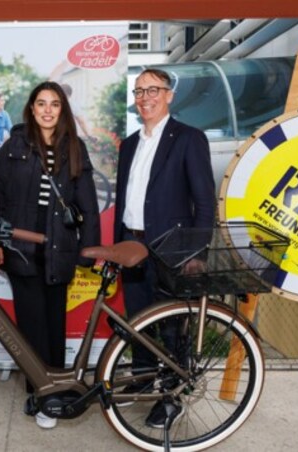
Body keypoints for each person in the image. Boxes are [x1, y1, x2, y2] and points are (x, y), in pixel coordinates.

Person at [0, 81, 100, 429]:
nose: (48, 110)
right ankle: (40, 393)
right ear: (32, 108)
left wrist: (88, 249)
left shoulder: (75, 148)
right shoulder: (14, 146)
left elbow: (88, 205)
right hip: (22, 249)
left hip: (60, 250)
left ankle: (55, 390)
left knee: (55, 325)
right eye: (41, 103)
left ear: (62, 109)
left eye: (55, 104)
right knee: (31, 327)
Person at [113, 68, 216, 428]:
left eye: (153, 90)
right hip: (131, 245)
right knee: (138, 323)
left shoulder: (189, 138)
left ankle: (172, 398)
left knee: (173, 328)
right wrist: (115, 248)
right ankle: (143, 385)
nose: (145, 98)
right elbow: (124, 199)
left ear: (169, 95)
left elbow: (205, 203)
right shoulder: (128, 145)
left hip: (173, 251)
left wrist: (197, 255)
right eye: (139, 91)